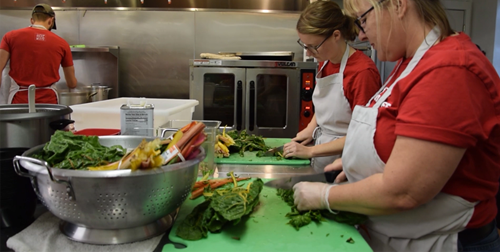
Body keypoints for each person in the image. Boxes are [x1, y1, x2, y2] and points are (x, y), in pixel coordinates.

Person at [292, 0, 500, 251]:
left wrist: (323, 196)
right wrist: (356, 163)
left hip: (443, 242)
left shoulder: (450, 70)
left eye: (364, 19)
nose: (360, 33)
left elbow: (403, 191)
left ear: (400, 5)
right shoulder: (409, 63)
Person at [283, 0, 382, 172]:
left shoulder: (362, 73)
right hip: (323, 154)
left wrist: (310, 151)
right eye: (305, 45)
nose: (308, 53)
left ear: (336, 35)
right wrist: (310, 128)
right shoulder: (325, 62)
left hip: (347, 161)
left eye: (313, 47)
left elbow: (362, 135)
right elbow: (325, 109)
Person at [0, 3, 77, 104]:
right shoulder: (62, 43)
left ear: (32, 20)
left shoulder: (10, 37)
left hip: (19, 101)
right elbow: (71, 83)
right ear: (51, 21)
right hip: (49, 103)